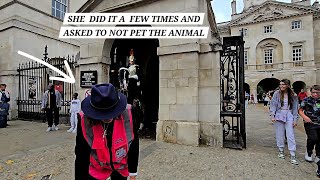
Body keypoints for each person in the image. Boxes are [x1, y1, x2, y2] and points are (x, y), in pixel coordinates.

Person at [75, 83, 139, 180]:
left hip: (120, 169)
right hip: (97, 170)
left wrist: (133, 172)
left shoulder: (129, 113)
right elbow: (81, 154)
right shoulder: (84, 120)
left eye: (111, 111)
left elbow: (134, 143)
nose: (108, 117)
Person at [269, 79, 299, 165]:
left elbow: (295, 108)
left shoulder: (293, 95)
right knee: (279, 134)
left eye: (283, 84)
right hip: (279, 114)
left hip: (289, 114)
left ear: (288, 85)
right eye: (280, 84)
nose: (281, 86)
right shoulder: (276, 93)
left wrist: (295, 119)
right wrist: (272, 115)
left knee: (290, 135)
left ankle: (293, 154)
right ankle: (281, 150)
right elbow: (273, 104)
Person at [298, 85, 320, 176]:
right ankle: (309, 151)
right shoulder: (306, 100)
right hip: (310, 123)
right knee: (313, 138)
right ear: (311, 92)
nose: (315, 94)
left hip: (319, 123)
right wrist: (305, 117)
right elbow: (300, 110)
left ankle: (318, 155)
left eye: (317, 92)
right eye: (314, 92)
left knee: (319, 140)